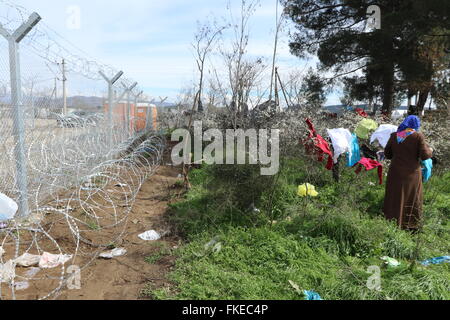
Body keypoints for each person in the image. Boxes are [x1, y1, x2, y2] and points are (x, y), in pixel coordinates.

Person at [383, 115, 433, 232]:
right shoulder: (417, 136)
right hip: (412, 174)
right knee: (412, 198)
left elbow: (387, 154)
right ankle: (411, 224)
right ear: (415, 125)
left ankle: (392, 222)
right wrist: (430, 150)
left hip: (395, 173)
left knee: (394, 197)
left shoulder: (395, 135)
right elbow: (425, 155)